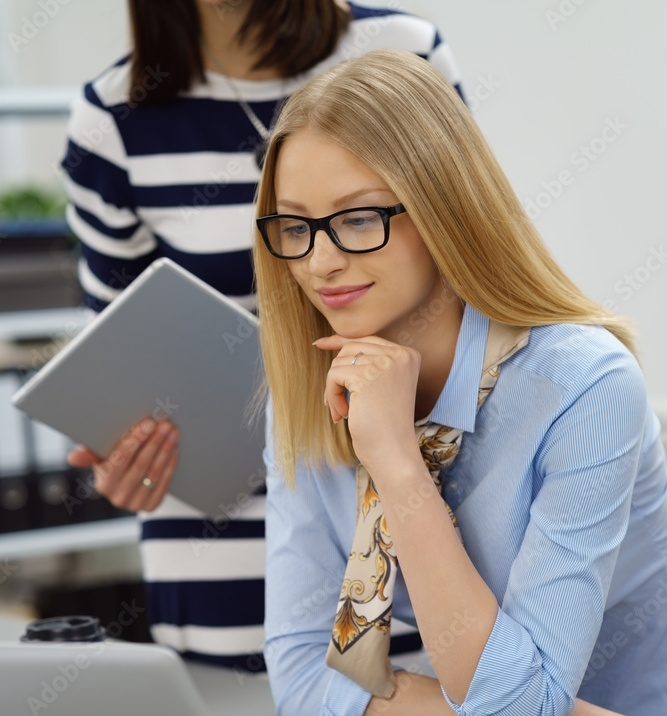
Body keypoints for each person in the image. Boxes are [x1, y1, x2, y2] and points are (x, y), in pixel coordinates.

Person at [254, 49, 667, 716]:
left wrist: (393, 456)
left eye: (356, 219)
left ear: (445, 209)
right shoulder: (318, 383)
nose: (318, 263)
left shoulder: (584, 386)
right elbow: (299, 678)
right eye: (294, 227)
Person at [62, 0, 464, 668]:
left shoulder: (401, 50)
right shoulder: (113, 117)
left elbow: (460, 263)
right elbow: (117, 348)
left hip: (402, 500)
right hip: (216, 541)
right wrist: (120, 452)